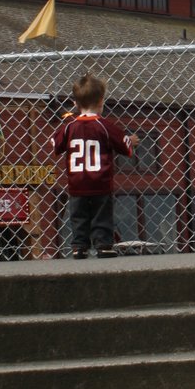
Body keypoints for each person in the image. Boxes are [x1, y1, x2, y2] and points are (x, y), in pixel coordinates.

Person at [52, 72, 138, 259]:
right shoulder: (104, 126)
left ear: (75, 104)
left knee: (78, 216)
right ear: (101, 101)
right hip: (100, 181)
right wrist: (131, 141)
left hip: (77, 182)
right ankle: (103, 245)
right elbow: (125, 146)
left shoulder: (69, 127)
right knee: (102, 214)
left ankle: (79, 246)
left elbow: (55, 144)